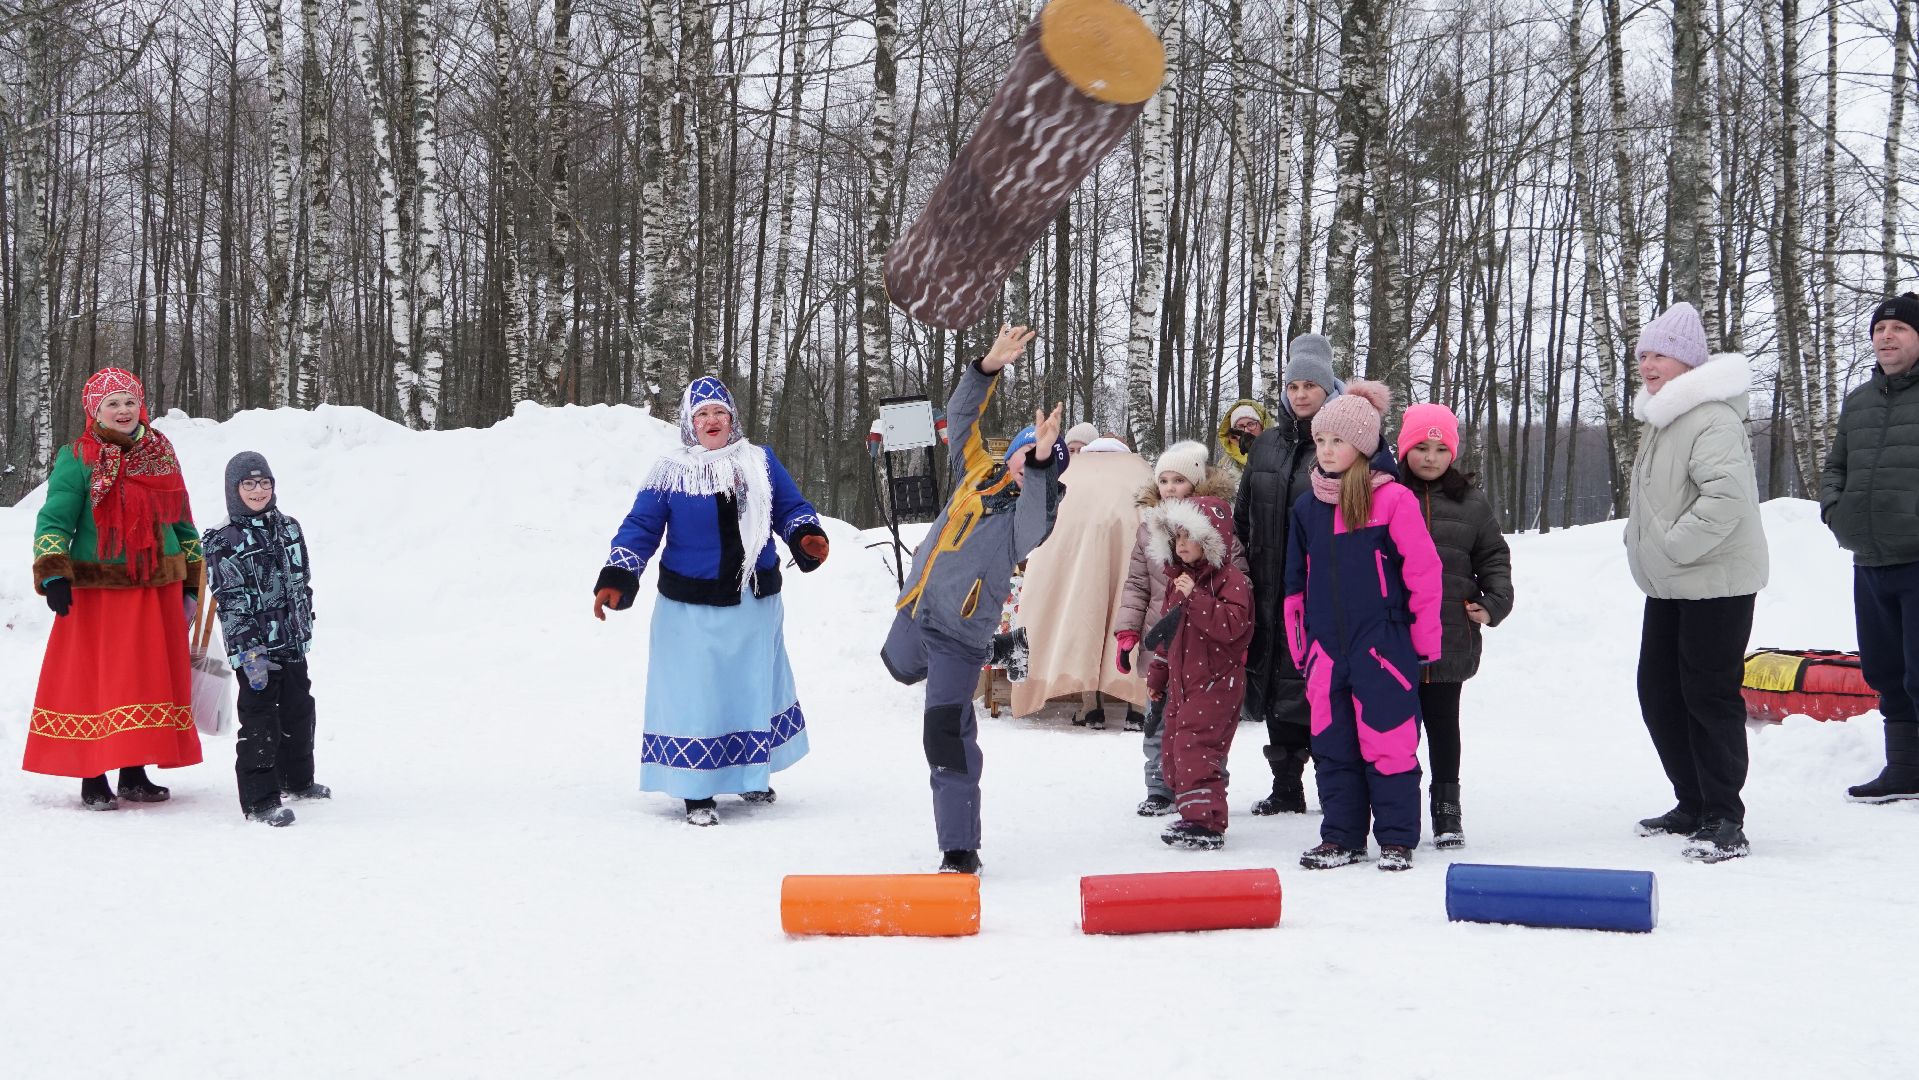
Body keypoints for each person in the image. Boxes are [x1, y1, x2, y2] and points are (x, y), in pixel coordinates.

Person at [593, 376, 830, 826]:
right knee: (697, 697)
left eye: (719, 412)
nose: (712, 420)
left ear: (732, 418)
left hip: (754, 604)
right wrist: (619, 574)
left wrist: (806, 536)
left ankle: (750, 775)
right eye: (701, 414)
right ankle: (696, 790)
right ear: (689, 423)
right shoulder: (670, 471)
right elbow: (641, 526)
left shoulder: (760, 461)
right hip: (691, 610)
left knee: (750, 690)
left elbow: (790, 508)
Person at [881, 325, 1065, 875]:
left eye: (1037, 456)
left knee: (945, 733)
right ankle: (928, 672)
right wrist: (985, 368)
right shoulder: (976, 473)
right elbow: (961, 420)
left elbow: (1035, 511)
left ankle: (959, 849)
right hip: (916, 609)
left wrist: (1043, 462)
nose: (1025, 458)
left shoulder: (1030, 519)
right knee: (896, 666)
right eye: (1022, 450)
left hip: (958, 635)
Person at [1624, 302, 1768, 863]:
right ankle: (1692, 801)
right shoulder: (1665, 418)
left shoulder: (1711, 417)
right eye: (1643, 355)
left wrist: (1673, 545)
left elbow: (1727, 498)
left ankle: (1724, 816)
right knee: (1659, 692)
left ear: (1687, 361)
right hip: (1672, 583)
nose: (1648, 364)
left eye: (1659, 354)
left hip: (1716, 581)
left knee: (1708, 695)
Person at [27, 368, 204, 809]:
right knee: (97, 679)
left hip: (156, 589)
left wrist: (192, 582)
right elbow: (54, 519)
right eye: (113, 404)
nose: (123, 411)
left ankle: (133, 773)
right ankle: (91, 775)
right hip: (98, 592)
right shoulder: (78, 456)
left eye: (129, 401)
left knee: (145, 680)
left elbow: (182, 518)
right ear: (95, 411)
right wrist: (53, 574)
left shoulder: (160, 452)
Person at [1236, 334, 1397, 817]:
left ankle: (1338, 787)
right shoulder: (1265, 446)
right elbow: (1244, 516)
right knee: (1273, 683)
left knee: (1323, 686)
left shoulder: (1348, 444)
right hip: (1269, 584)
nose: (1301, 394)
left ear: (1329, 389)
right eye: (1294, 385)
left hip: (1326, 587)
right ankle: (1286, 783)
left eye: (1311, 385)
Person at [1285, 380, 1442, 872]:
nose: (1328, 451)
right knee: (1333, 746)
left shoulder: (1393, 500)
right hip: (1327, 653)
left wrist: (1423, 642)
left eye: (1338, 441)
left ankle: (1396, 839)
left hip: (1383, 646)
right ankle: (1342, 837)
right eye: (1322, 441)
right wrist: (1301, 648)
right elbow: (1294, 583)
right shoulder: (1308, 507)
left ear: (1364, 446)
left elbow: (1424, 572)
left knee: (1389, 741)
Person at [1397, 404, 1514, 848]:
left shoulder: (1471, 501)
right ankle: (1397, 806)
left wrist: (1494, 602)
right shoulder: (1388, 494)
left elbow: (1493, 557)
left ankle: (1447, 810)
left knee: (1444, 727)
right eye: (1421, 447)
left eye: (1441, 448)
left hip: (1450, 634)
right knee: (1397, 731)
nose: (1430, 457)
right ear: (1406, 447)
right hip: (1396, 638)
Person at [1824, 292, 1919, 804]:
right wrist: (1833, 510)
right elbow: (1835, 466)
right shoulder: (1859, 400)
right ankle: (1904, 770)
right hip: (1871, 558)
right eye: (1880, 329)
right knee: (1886, 669)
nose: (1887, 336)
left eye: (1899, 329)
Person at [1116, 440, 1241, 815]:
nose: (1170, 487)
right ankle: (1159, 785)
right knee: (1157, 714)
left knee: (1203, 721)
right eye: (1164, 480)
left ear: (1197, 483)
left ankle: (1204, 783)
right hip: (1163, 642)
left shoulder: (1216, 528)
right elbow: (1137, 585)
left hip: (1206, 647)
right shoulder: (1146, 531)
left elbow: (1237, 578)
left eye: (1179, 480)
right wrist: (1128, 632)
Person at [203, 452, 328, 827]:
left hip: (292, 641)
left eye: (265, 483)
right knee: (261, 721)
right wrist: (248, 650)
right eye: (249, 484)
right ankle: (260, 800)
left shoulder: (290, 528)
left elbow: (300, 581)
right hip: (255, 649)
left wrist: (304, 624)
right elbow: (232, 603)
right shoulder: (224, 541)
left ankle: (298, 780)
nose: (258, 491)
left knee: (299, 711)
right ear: (233, 489)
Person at [1010, 429, 1151, 729]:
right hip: (1134, 559)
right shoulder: (1140, 470)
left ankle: (1091, 707)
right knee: (1132, 619)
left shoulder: (1073, 473)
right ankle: (1137, 708)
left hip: (1078, 560)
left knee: (1083, 617)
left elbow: (1048, 526)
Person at [1141, 496, 1254, 849]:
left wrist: (1197, 599)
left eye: (1191, 537)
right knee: (1175, 745)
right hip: (1183, 684)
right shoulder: (1178, 583)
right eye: (1177, 538)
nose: (1182, 545)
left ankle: (1205, 822)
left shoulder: (1230, 580)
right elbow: (1168, 635)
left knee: (1198, 747)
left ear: (1211, 541)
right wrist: (1158, 676)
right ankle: (1192, 813)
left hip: (1218, 683)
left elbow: (1235, 626)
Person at [1216, 399, 1272, 471]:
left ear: (1262, 426)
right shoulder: (1224, 465)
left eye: (1251, 424)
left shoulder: (1278, 455)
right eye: (1240, 427)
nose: (1246, 431)